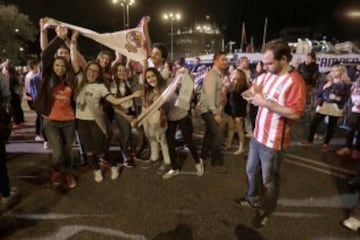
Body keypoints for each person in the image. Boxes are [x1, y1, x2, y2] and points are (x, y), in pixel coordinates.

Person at [236, 39, 306, 227]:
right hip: (258, 134)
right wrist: (249, 93)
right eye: (264, 63)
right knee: (251, 170)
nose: (265, 67)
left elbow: (296, 113)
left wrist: (265, 103)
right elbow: (254, 90)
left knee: (269, 180)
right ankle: (252, 198)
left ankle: (266, 209)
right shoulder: (267, 76)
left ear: (284, 59)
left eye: (269, 63)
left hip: (274, 140)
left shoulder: (295, 81)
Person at [162, 57, 204, 179]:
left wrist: (186, 78)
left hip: (182, 115)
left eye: (174, 66)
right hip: (170, 116)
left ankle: (197, 162)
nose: (172, 69)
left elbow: (190, 92)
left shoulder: (182, 80)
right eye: (170, 67)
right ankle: (174, 168)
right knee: (170, 143)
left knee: (188, 141)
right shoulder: (166, 82)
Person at [298, 64, 351, 152]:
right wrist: (324, 87)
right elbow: (318, 93)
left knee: (331, 126)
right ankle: (309, 140)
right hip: (324, 104)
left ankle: (326, 144)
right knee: (314, 122)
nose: (333, 72)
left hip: (335, 107)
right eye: (332, 70)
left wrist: (338, 98)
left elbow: (346, 98)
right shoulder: (327, 81)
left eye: (336, 70)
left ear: (341, 72)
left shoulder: (345, 84)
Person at [198, 51, 229, 173]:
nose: (225, 62)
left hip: (212, 108)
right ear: (215, 61)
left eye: (226, 59)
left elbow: (215, 93)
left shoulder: (219, 74)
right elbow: (209, 96)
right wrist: (215, 113)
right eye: (223, 59)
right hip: (208, 109)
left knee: (210, 133)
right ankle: (216, 162)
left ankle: (203, 156)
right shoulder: (212, 75)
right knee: (218, 134)